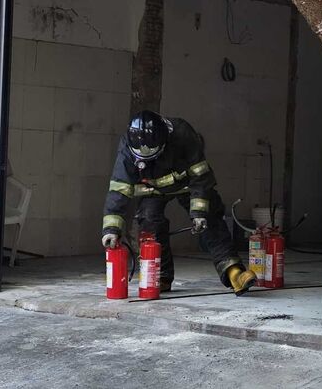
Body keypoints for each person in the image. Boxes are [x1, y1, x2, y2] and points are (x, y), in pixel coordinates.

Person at [101, 110, 256, 296]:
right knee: (150, 223)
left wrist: (198, 213)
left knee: (209, 218)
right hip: (154, 190)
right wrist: (111, 229)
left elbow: (200, 175)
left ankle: (233, 272)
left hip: (189, 186)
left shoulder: (182, 134)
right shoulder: (128, 146)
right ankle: (161, 277)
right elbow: (119, 189)